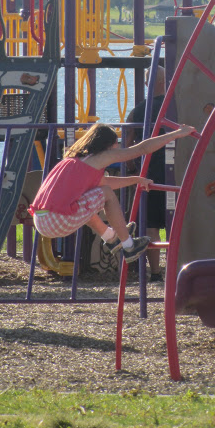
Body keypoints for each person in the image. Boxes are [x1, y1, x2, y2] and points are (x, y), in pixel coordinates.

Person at [29, 120, 195, 264]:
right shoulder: (102, 156)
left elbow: (106, 182)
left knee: (86, 203)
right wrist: (177, 134)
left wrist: (136, 180)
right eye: (116, 144)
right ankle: (129, 245)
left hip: (41, 220)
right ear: (107, 145)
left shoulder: (75, 161)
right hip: (57, 220)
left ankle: (111, 237)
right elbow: (142, 149)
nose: (117, 147)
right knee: (106, 193)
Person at [125, 63, 167, 281]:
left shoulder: (139, 110)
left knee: (150, 225)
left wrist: (132, 169)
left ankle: (156, 273)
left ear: (147, 84)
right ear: (165, 82)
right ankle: (181, 267)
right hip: (176, 173)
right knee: (178, 221)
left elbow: (128, 142)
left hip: (149, 173)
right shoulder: (176, 106)